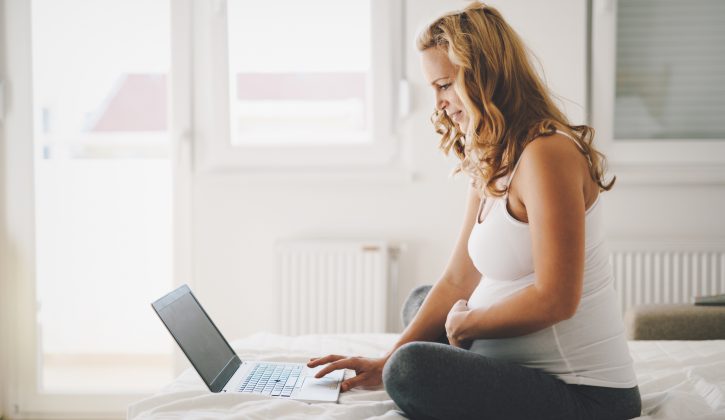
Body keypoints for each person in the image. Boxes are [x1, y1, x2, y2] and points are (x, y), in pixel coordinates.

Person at [308, 3, 642, 419]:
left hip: (585, 394)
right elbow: (457, 279)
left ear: (485, 76)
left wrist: (468, 326)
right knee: (423, 301)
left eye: (445, 84)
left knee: (411, 368)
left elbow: (557, 300)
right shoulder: (493, 153)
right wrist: (382, 362)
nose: (440, 103)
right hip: (511, 361)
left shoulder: (546, 154)